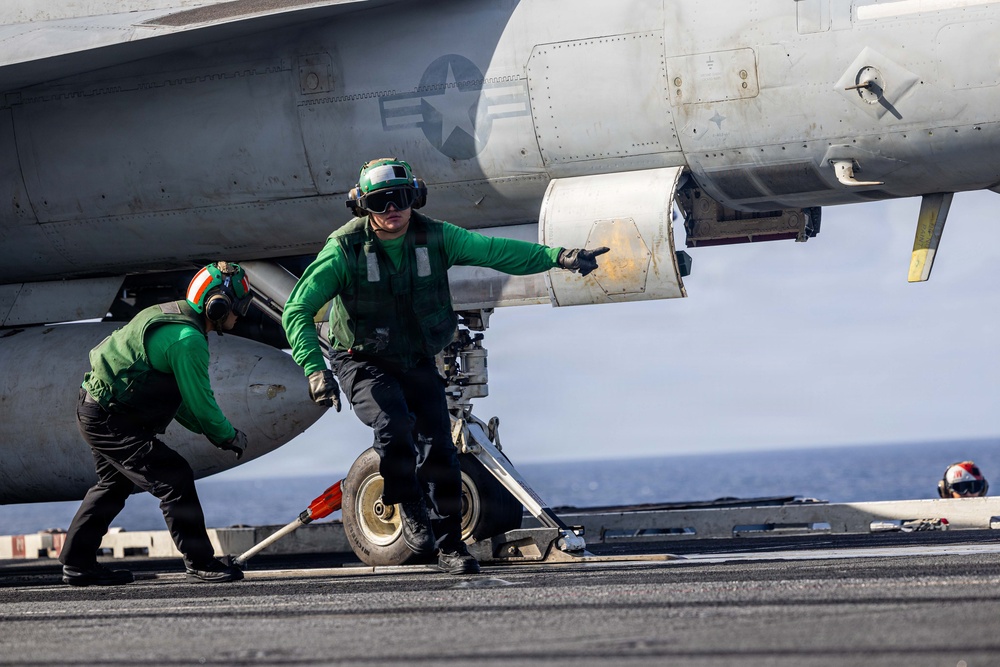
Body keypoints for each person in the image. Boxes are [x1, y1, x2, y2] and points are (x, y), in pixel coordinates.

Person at [282, 158, 609, 575]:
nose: (391, 209)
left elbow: (495, 252)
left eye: (399, 199)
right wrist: (315, 369)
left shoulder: (436, 237)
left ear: (413, 197)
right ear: (364, 207)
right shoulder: (344, 250)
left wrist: (558, 256)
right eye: (380, 202)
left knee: (440, 449)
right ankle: (410, 504)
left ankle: (451, 545)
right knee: (392, 423)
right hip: (361, 360)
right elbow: (298, 309)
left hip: (416, 357)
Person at [59, 261, 252, 586]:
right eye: (238, 308)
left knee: (113, 486)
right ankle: (201, 562)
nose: (241, 315)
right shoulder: (188, 341)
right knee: (174, 479)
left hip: (97, 410)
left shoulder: (173, 316)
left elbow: (184, 404)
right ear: (216, 305)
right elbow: (202, 405)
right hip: (110, 418)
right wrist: (227, 436)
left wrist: (216, 434)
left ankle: (77, 564)